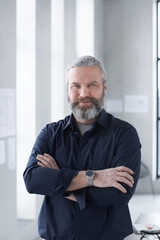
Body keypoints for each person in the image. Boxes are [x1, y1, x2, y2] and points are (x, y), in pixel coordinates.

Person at [23, 55, 141, 240]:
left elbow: (120, 192)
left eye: (92, 85)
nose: (84, 93)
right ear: (68, 91)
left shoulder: (125, 134)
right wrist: (94, 177)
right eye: (76, 85)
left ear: (104, 88)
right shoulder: (50, 133)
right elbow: (33, 180)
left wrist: (61, 182)